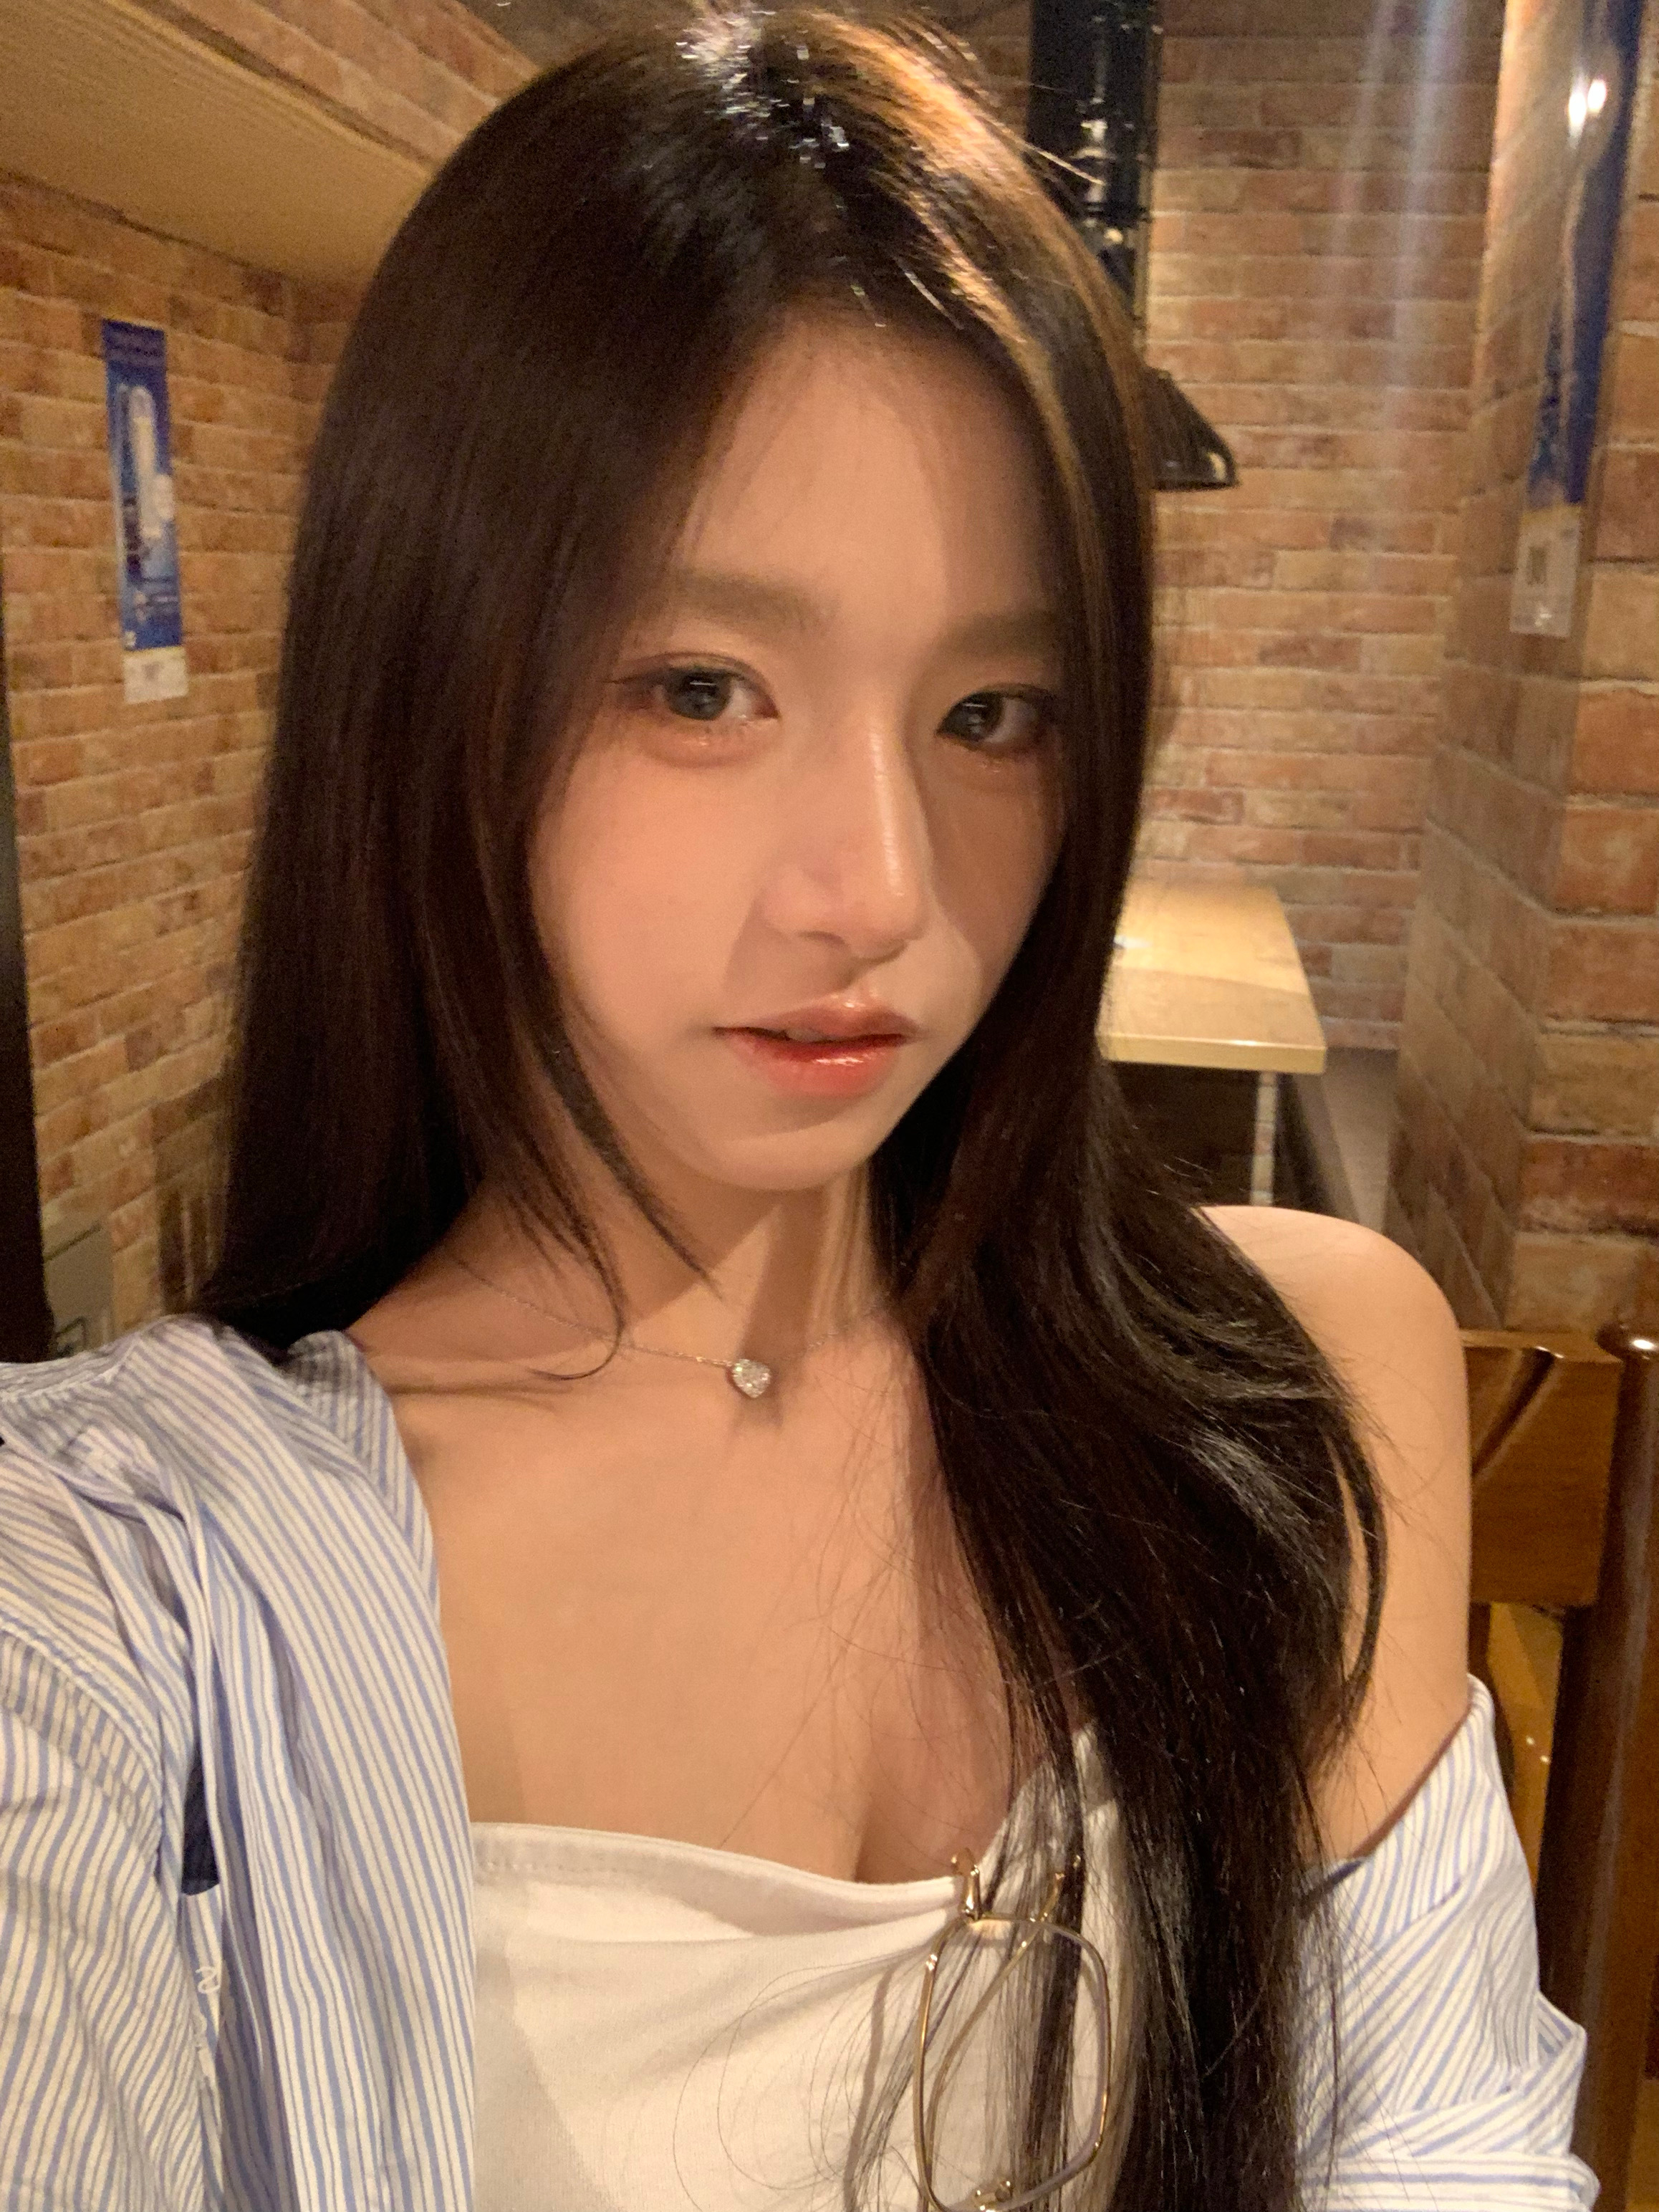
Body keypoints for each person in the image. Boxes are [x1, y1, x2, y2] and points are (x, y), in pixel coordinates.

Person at [0, 8, 1592, 2208]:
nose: (881, 890)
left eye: (992, 711)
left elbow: (1439, 2139)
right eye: (701, 687)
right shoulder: (129, 1585)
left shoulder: (1287, 1393)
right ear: (430, 681)